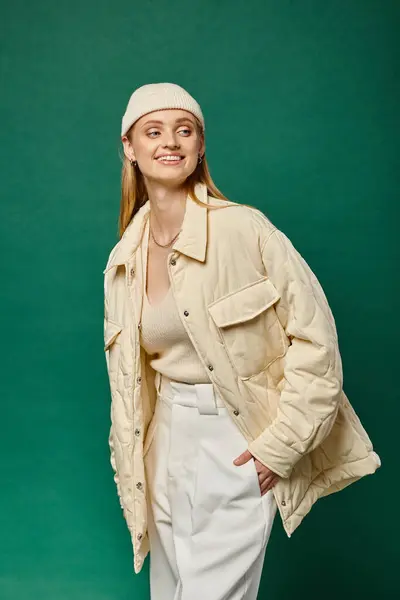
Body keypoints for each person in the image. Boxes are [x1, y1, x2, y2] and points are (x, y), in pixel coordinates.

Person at [103, 82, 381, 599]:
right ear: (130, 147)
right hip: (162, 442)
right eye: (154, 131)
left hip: (234, 438)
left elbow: (317, 345)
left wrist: (277, 449)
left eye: (184, 130)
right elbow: (127, 383)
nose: (170, 142)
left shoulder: (244, 230)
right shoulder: (125, 257)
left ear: (200, 145)